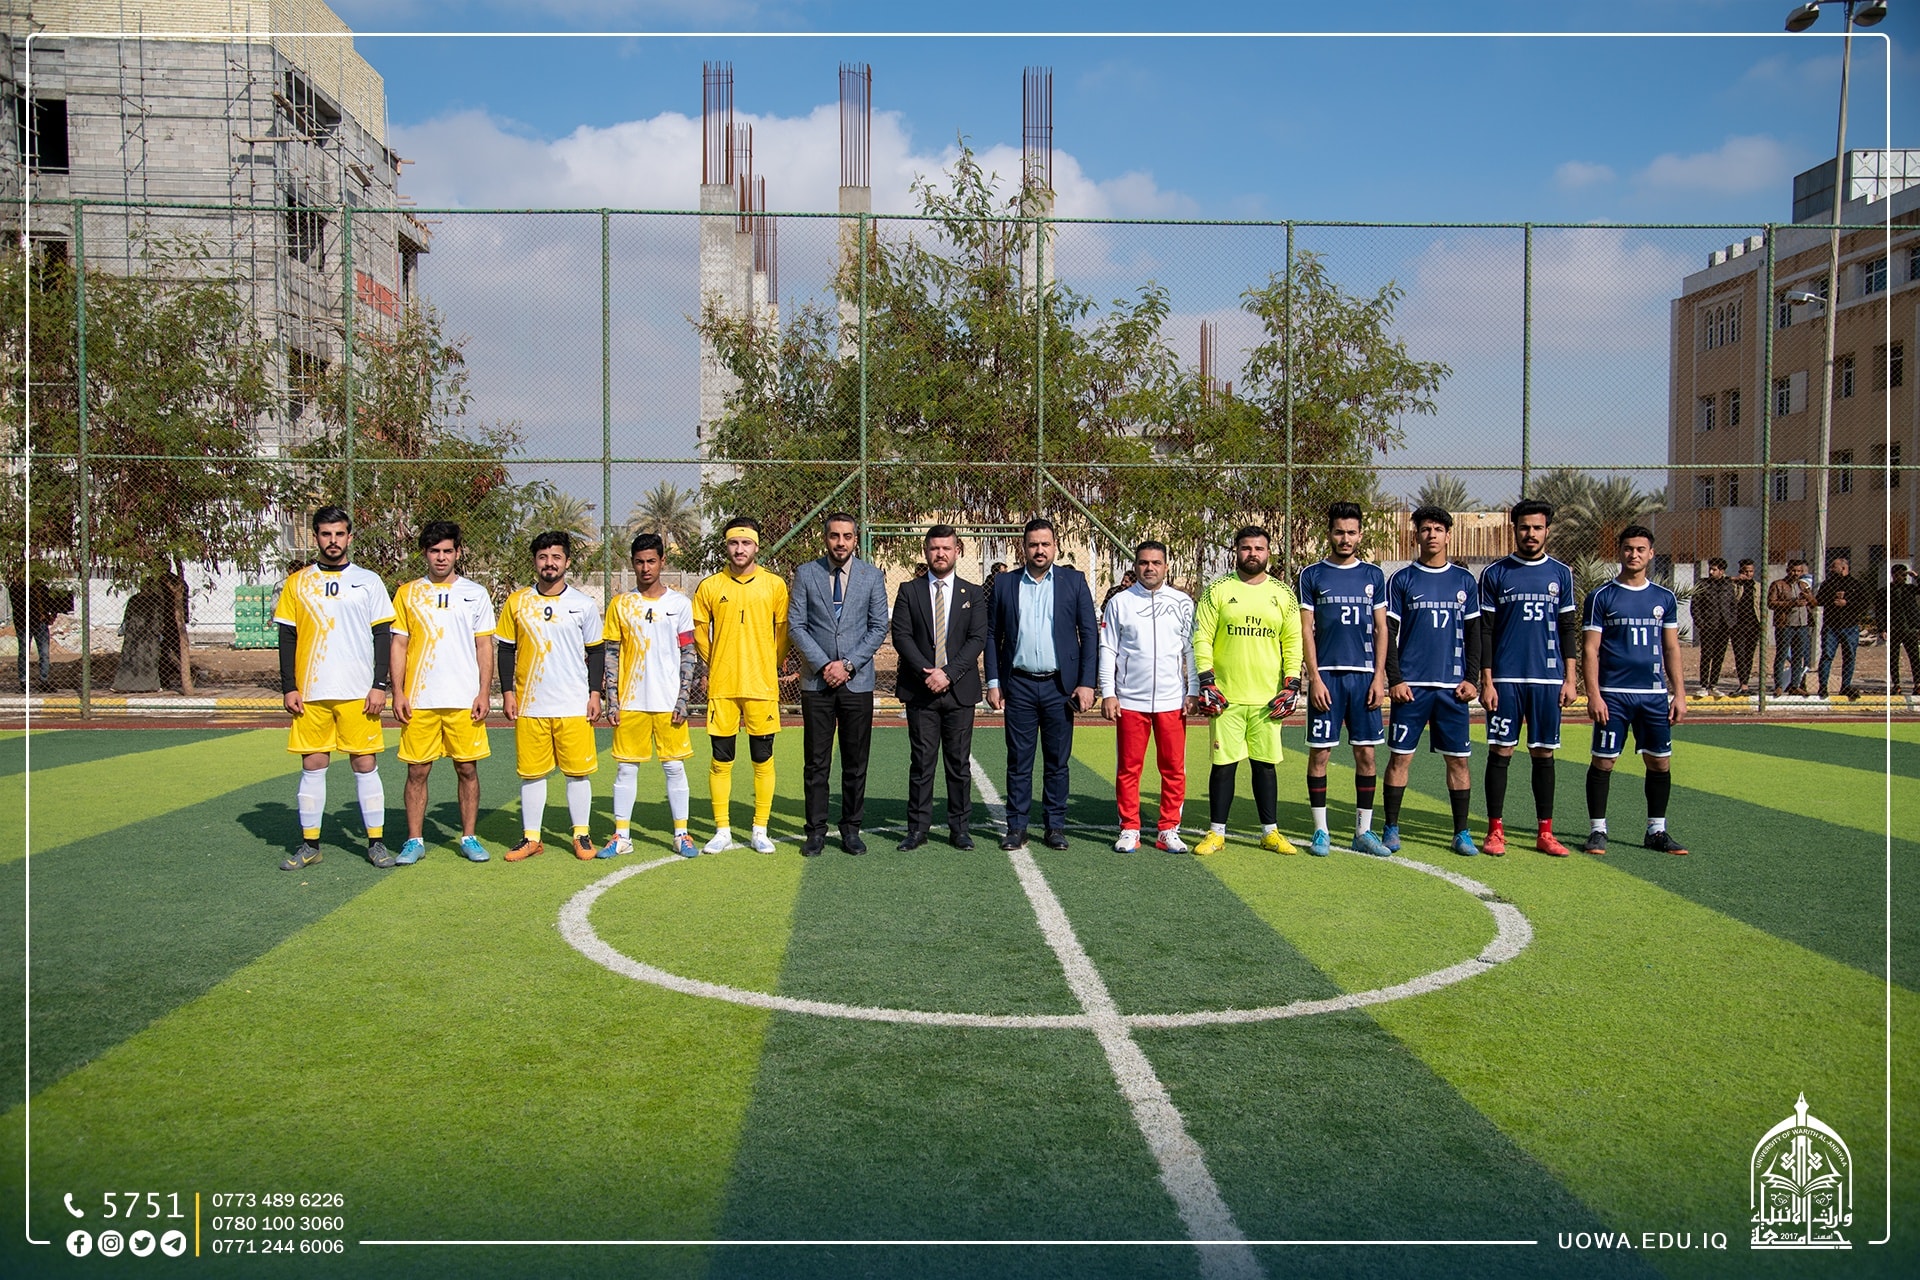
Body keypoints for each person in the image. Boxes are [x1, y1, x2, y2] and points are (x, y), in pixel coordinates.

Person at [273, 505, 395, 870]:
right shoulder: (298, 583)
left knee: (365, 763)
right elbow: (287, 637)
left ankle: (376, 843)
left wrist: (379, 684)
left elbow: (382, 635)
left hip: (359, 692)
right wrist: (289, 687)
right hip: (312, 692)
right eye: (326, 534)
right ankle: (310, 845)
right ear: (316, 537)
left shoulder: (368, 581)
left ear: (350, 537)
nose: (333, 540)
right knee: (313, 764)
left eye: (339, 534)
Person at [984, 517, 1099, 851]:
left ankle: (1055, 826)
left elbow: (1089, 633)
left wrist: (1087, 683)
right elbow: (992, 634)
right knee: (1019, 761)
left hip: (1059, 687)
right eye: (1033, 544)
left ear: (1055, 547)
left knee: (1057, 762)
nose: (1039, 550)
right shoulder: (1004, 583)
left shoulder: (1073, 581)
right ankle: (1016, 826)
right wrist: (993, 681)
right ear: (1023, 547)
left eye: (1045, 544)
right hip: (1018, 685)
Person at [1190, 525, 1303, 858]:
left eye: (1259, 548)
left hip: (1268, 698)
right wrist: (1207, 680)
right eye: (1246, 548)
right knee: (1224, 765)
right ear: (1236, 552)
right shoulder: (1218, 590)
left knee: (1265, 766)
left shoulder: (1283, 594)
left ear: (1269, 553)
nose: (1252, 554)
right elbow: (1202, 637)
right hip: (1226, 697)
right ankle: (1216, 833)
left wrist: (1292, 683)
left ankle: (1270, 833)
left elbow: (1293, 641)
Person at [1476, 500, 1578, 857]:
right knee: (1500, 750)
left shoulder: (1561, 574)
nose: (1530, 534)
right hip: (1505, 679)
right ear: (1514, 529)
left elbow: (1568, 628)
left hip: (1547, 679)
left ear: (1547, 530)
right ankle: (1495, 830)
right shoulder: (1495, 573)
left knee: (1543, 752)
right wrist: (1487, 681)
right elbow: (1485, 631)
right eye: (1524, 527)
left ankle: (1545, 832)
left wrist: (1570, 677)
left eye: (1537, 528)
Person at [390, 521, 496, 865]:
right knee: (417, 772)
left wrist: (483, 693)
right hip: (420, 700)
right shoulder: (408, 593)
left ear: (458, 553)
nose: (441, 557)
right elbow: (399, 644)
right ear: (425, 553)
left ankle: (469, 837)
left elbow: (484, 646)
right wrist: (397, 692)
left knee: (467, 769)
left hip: (464, 700)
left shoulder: (476, 593)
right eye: (434, 551)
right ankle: (414, 840)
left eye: (447, 551)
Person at [497, 530, 605, 862]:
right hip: (531, 703)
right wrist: (507, 692)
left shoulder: (583, 605)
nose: (549, 563)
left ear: (567, 562)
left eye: (556, 557)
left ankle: (581, 835)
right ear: (535, 562)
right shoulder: (517, 602)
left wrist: (595, 694)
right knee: (532, 773)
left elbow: (596, 652)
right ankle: (531, 838)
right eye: (543, 557)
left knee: (578, 772)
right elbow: (506, 649)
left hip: (573, 704)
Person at [1382, 506, 1483, 858]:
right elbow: (1388, 632)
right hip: (1411, 689)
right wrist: (1395, 679)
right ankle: (1391, 827)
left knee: (1458, 761)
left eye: (1438, 529)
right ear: (1417, 535)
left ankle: (1461, 832)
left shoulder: (1464, 581)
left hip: (1452, 689)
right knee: (1400, 758)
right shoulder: (1401, 580)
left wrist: (1472, 679)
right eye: (1426, 529)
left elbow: (1474, 633)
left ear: (1448, 535)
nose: (1432, 535)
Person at [1581, 525, 1688, 855]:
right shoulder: (1601, 597)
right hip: (1613, 695)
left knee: (1659, 763)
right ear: (1620, 552)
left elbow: (1671, 648)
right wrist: (1594, 694)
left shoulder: (1664, 598)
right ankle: (1598, 830)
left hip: (1653, 696)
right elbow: (1590, 649)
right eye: (1628, 548)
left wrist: (1679, 694)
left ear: (1651, 554)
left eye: (1641, 549)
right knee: (1604, 762)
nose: (1634, 554)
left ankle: (1656, 830)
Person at [788, 512, 891, 856]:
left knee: (855, 762)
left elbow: (878, 626)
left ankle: (850, 829)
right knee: (816, 763)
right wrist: (824, 665)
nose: (841, 542)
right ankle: (816, 831)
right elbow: (796, 625)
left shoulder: (871, 576)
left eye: (847, 536)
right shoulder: (806, 573)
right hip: (816, 683)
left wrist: (847, 665)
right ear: (825, 538)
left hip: (856, 682)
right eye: (834, 536)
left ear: (855, 539)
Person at [1296, 503, 1391, 858]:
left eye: (1351, 532)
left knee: (1366, 754)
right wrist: (1314, 678)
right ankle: (1320, 830)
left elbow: (1382, 628)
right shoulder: (1312, 575)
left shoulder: (1374, 575)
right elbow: (1306, 630)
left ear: (1360, 535)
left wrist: (1379, 677)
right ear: (1329, 534)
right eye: (1339, 532)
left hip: (1364, 678)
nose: (1345, 538)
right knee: (1320, 753)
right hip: (1328, 679)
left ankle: (1362, 832)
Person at [692, 516, 790, 854]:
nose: (739, 549)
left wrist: (769, 664)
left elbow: (783, 632)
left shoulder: (774, 585)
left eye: (746, 543)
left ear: (756, 546)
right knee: (721, 759)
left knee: (763, 759)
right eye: (734, 543)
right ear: (726, 545)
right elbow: (699, 632)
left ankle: (760, 829)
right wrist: (718, 660)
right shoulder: (710, 586)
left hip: (761, 686)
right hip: (723, 686)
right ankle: (722, 830)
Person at [599, 533, 698, 860]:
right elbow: (611, 653)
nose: (645, 568)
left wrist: (683, 698)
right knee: (626, 769)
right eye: (639, 562)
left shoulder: (680, 604)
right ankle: (622, 835)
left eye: (651, 561)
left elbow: (689, 653)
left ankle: (681, 834)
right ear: (632, 564)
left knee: (674, 766)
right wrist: (612, 699)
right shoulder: (620, 604)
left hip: (668, 702)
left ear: (662, 562)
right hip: (631, 702)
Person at [892, 524, 989, 849]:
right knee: (922, 762)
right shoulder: (909, 590)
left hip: (959, 690)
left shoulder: (973, 593)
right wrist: (928, 674)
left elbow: (977, 639)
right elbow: (902, 636)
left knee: (958, 764)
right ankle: (917, 830)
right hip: (920, 691)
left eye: (946, 548)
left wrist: (947, 674)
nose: (940, 554)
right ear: (926, 551)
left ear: (957, 551)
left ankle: (959, 828)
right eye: (934, 548)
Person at [1098, 540, 1197, 853]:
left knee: (1174, 768)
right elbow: (1108, 648)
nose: (1149, 568)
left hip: (1172, 701)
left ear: (1166, 566)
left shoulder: (1182, 602)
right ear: (1136, 566)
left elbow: (1191, 650)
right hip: (1130, 701)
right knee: (1129, 769)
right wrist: (1108, 692)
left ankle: (1169, 829)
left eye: (1156, 563)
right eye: (1143, 563)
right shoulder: (1120, 602)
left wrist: (1193, 689)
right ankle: (1129, 828)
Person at [1815, 554, 1868, 700]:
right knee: (1827, 655)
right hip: (1831, 626)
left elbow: (1864, 604)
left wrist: (1847, 603)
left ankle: (1845, 686)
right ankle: (1823, 686)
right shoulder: (1828, 584)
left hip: (1850, 626)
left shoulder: (1856, 584)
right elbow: (1819, 600)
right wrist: (1833, 599)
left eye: (1834, 566)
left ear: (1843, 568)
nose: (1831, 569)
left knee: (1849, 656)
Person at [1768, 559, 1816, 696]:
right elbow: (1771, 603)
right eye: (1793, 570)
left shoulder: (1803, 585)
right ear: (1788, 570)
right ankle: (1778, 685)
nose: (1796, 573)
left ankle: (1795, 685)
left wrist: (1809, 597)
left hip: (1802, 625)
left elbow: (1814, 604)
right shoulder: (1778, 585)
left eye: (1799, 571)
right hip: (1785, 625)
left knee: (1798, 656)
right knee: (1782, 655)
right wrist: (1792, 603)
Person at [1691, 557, 1735, 697]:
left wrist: (1731, 622)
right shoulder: (1703, 584)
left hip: (1724, 627)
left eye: (1714, 569)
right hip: (1708, 626)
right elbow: (1695, 605)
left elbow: (1733, 605)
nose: (1711, 572)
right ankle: (1704, 685)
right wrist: (1701, 623)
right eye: (1710, 569)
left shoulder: (1728, 586)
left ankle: (1713, 685)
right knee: (1706, 655)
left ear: (1721, 571)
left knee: (1719, 656)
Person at [6, 575, 53, 687]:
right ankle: (24, 681)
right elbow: (18, 604)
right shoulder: (16, 587)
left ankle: (44, 681)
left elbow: (48, 601)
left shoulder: (40, 585)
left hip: (40, 623)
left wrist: (49, 614)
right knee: (24, 652)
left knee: (44, 653)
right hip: (24, 624)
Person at [1884, 564, 1920, 696]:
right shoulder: (1885, 591)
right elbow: (1881, 611)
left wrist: (1916, 577)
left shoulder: (1909, 589)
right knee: (1894, 658)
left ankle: (1918, 684)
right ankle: (1896, 684)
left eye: (1905, 575)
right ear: (1894, 575)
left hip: (1910, 629)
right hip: (1894, 629)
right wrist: (1882, 628)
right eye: (1901, 575)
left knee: (1914, 657)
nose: (1904, 578)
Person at [1731, 558, 1760, 696]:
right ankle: (1742, 684)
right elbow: (1722, 580)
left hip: (1753, 624)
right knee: (1740, 654)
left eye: (1751, 571)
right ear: (1740, 571)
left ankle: (1745, 684)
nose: (1749, 574)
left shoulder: (1757, 586)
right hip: (1738, 625)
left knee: (1749, 655)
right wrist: (1736, 579)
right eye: (1746, 571)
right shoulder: (1734, 585)